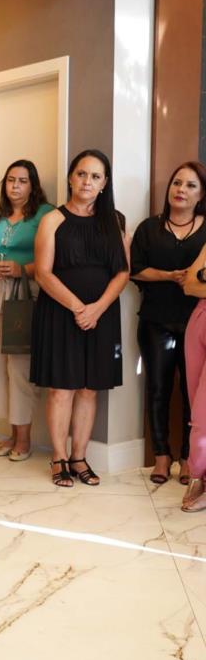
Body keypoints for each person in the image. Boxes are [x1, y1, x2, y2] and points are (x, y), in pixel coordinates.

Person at [31, 149, 129, 487]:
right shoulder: (52, 220)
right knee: (62, 389)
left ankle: (79, 457)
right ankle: (59, 458)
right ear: (71, 178)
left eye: (95, 176)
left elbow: (123, 272)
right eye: (82, 174)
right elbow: (43, 273)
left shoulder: (115, 221)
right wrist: (78, 308)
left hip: (103, 314)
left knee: (89, 389)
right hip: (60, 313)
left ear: (104, 183)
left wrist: (97, 308)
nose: (87, 181)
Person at [131, 161, 206, 486]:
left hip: (197, 322)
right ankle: (161, 456)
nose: (181, 190)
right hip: (156, 319)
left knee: (194, 394)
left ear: (201, 194)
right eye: (177, 183)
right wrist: (167, 275)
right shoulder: (149, 228)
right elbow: (135, 269)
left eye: (190, 185)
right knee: (158, 388)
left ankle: (189, 459)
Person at [0, 160, 54, 460]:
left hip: (25, 295)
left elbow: (53, 256)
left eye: (22, 181)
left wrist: (22, 268)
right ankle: (11, 432)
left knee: (19, 368)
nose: (15, 186)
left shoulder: (44, 214)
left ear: (33, 185)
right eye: (11, 180)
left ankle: (24, 438)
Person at [178, 238, 206, 511]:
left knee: (202, 414)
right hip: (198, 321)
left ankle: (197, 474)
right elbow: (189, 286)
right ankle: (200, 478)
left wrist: (202, 284)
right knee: (194, 397)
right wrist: (198, 284)